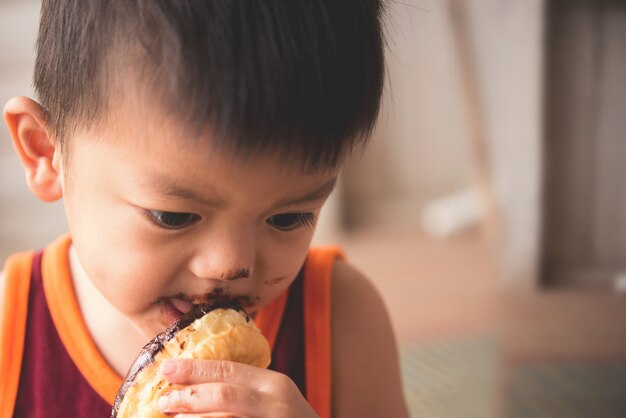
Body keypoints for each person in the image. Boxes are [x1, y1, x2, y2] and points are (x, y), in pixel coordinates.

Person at [0, 1, 410, 417]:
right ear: (46, 154)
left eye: (287, 218)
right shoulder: (8, 332)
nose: (229, 266)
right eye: (173, 216)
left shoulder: (341, 319)